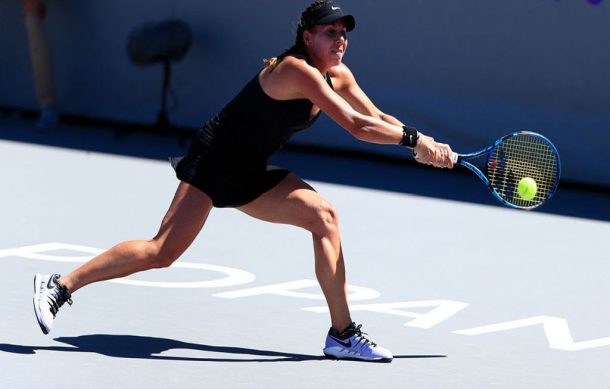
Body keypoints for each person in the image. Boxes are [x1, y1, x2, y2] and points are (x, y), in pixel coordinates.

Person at [33, 1, 453, 363]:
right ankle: (60, 285)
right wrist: (414, 141)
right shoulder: (296, 70)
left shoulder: (339, 74)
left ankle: (341, 335)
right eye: (330, 33)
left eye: (343, 33)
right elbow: (358, 127)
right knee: (161, 252)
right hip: (215, 160)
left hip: (251, 168)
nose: (340, 40)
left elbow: (377, 117)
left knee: (324, 217)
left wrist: (429, 144)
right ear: (307, 38)